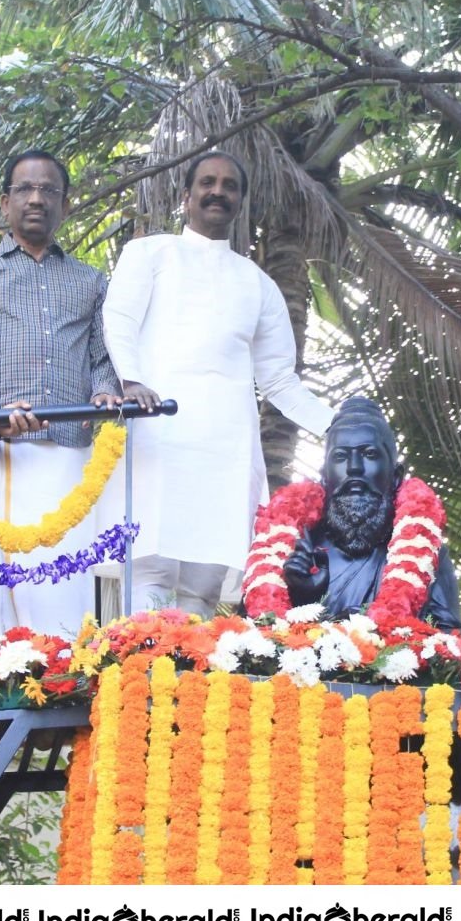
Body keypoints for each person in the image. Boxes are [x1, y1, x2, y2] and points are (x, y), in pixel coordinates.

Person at [103, 150, 334, 615]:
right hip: (156, 437)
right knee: (149, 578)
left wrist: (337, 422)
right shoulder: (150, 253)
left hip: (224, 454)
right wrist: (131, 381)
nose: (218, 191)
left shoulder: (258, 284)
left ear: (240, 201)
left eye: (230, 186)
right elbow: (119, 320)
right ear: (187, 197)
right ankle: (133, 684)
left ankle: (187, 687)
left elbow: (279, 380)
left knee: (202, 594)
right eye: (207, 182)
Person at [0, 150, 122, 644]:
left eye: (49, 191)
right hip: (1, 451)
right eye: (25, 189)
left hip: (72, 455)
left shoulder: (90, 280)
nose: (37, 198)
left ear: (65, 205)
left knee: (66, 580)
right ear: (5, 203)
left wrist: (106, 390)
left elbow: (104, 356)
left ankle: (69, 680)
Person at [280, 397, 461, 626]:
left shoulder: (426, 551)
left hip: (398, 658)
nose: (354, 468)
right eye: (341, 456)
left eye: (369, 454)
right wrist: (302, 598)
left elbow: (451, 641)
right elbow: (250, 637)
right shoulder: (293, 547)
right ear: (325, 476)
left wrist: (378, 629)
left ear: (395, 477)